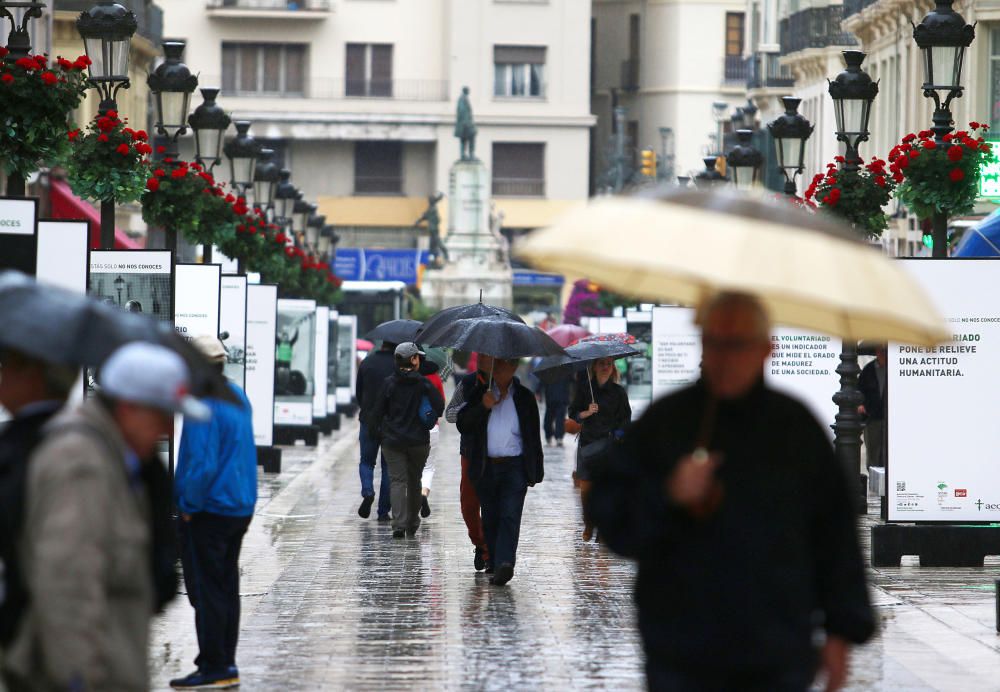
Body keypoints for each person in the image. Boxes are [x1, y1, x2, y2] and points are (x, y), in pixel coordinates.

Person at [587, 292, 875, 691]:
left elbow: (834, 534)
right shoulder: (667, 422)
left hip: (775, 645)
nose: (724, 357)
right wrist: (669, 495)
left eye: (737, 344)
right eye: (713, 342)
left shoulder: (794, 428)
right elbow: (613, 519)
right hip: (682, 645)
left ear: (764, 349)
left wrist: (842, 631)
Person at [3, 342, 209, 692]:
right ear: (129, 408)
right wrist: (79, 680)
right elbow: (67, 590)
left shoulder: (115, 458)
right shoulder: (82, 463)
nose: (170, 431)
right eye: (163, 416)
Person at [170, 337, 258, 690]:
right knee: (225, 586)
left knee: (207, 589)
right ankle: (224, 662)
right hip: (238, 504)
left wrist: (187, 507)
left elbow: (201, 463)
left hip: (210, 507)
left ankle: (213, 665)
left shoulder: (202, 402)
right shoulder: (238, 395)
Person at [0, 350, 76, 651]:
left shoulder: (56, 447)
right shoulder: (17, 439)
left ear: (33, 378)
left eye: (7, 368)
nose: (2, 377)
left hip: (48, 639)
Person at [456, 357, 544, 586]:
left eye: (509, 364)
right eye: (500, 364)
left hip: (514, 465)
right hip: (485, 466)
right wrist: (483, 406)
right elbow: (462, 424)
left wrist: (536, 470)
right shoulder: (479, 392)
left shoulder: (524, 397)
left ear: (514, 367)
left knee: (510, 515)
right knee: (491, 517)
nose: (504, 368)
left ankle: (506, 563)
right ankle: (494, 562)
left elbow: (533, 435)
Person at [369, 343, 444, 538]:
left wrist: (380, 433)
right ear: (413, 360)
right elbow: (439, 407)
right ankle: (412, 522)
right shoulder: (424, 384)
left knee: (397, 481)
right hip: (419, 441)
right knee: (414, 482)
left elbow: (376, 412)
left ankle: (399, 524)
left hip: (393, 441)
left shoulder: (388, 384)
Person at [569, 357, 631, 542]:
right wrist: (586, 412)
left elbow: (625, 419)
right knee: (586, 487)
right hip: (588, 443)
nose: (605, 367)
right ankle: (589, 522)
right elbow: (573, 412)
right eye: (602, 363)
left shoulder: (619, 392)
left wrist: (618, 436)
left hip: (609, 445)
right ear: (594, 366)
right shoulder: (584, 389)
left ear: (613, 368)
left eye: (609, 364)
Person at [446, 355, 493, 571]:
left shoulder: (509, 384)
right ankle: (480, 543)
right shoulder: (468, 382)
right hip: (471, 451)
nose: (487, 359)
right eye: (483, 355)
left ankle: (491, 550)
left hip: (498, 452)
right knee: (469, 503)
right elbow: (450, 414)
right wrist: (472, 406)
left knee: (495, 504)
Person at [355, 341, 397, 521]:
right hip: (391, 422)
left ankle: (367, 491)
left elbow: (358, 392)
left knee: (366, 461)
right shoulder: (398, 365)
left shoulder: (367, 362)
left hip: (368, 420)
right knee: (388, 467)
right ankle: (383, 512)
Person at [419, 358, 446, 519]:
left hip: (412, 428)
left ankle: (410, 500)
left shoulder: (410, 377)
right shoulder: (435, 378)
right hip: (432, 427)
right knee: (428, 467)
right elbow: (441, 402)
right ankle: (423, 492)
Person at [858, 344, 887, 471]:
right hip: (872, 416)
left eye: (885, 350)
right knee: (873, 448)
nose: (883, 353)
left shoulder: (895, 369)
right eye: (881, 350)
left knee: (888, 450)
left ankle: (888, 478)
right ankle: (874, 478)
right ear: (877, 351)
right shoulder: (868, 369)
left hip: (890, 417)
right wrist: (860, 405)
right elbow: (859, 389)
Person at [541, 376, 571, 447]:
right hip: (556, 399)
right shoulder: (566, 371)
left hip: (554, 398)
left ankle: (552, 436)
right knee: (556, 419)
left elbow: (542, 383)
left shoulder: (548, 371)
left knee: (553, 419)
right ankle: (557, 437)